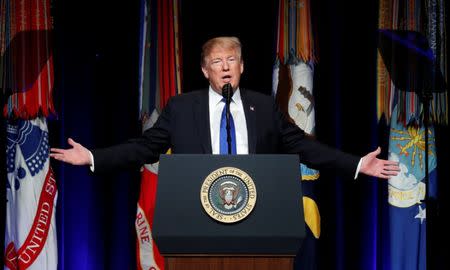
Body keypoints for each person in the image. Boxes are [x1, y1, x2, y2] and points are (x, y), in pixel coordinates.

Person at [50, 36, 399, 179]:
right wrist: (93, 157)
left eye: (232, 59)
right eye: (217, 61)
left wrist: (356, 164)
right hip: (196, 222)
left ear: (243, 66)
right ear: (205, 71)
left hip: (257, 218)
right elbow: (144, 148)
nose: (226, 66)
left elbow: (303, 146)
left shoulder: (262, 107)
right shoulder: (182, 108)